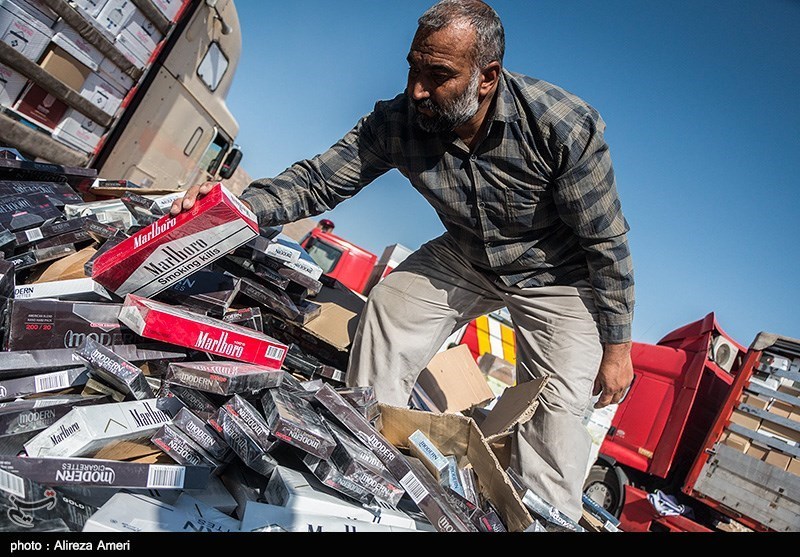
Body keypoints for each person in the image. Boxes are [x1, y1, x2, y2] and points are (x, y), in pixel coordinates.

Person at [171, 0, 634, 522]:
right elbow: (317, 181)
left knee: (560, 409)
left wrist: (617, 350)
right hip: (466, 253)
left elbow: (606, 242)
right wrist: (231, 208)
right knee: (389, 308)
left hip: (556, 274)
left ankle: (544, 518)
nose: (417, 89)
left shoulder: (560, 126)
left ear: (487, 77)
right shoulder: (398, 121)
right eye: (413, 67)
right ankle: (362, 461)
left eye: (437, 76)